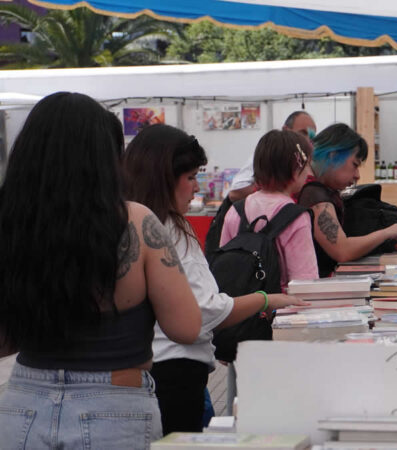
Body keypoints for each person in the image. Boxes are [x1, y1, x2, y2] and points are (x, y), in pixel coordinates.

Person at [0, 92, 202, 447]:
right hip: (114, 405)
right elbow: (186, 328)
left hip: (21, 405)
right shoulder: (137, 222)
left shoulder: (11, 225)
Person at [121, 124, 308, 434]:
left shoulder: (127, 224)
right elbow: (203, 310)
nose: (197, 188)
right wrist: (265, 298)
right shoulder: (168, 230)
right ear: (164, 177)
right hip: (176, 371)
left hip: (149, 370)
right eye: (191, 177)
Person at [298, 123, 397, 277]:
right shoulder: (316, 196)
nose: (357, 175)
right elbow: (343, 251)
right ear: (333, 155)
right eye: (354, 165)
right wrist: (387, 232)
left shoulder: (312, 189)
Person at [220, 129, 319, 291]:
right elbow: (305, 283)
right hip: (280, 310)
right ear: (295, 170)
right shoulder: (296, 217)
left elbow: (223, 268)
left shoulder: (235, 211)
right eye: (306, 165)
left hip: (241, 309)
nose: (308, 172)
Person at [227, 111, 317, 202]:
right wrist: (271, 186)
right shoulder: (270, 152)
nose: (307, 140)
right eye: (302, 133)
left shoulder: (308, 159)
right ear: (285, 130)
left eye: (311, 137)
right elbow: (234, 194)